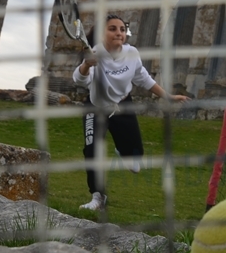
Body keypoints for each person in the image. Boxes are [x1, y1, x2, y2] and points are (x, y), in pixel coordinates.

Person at [73, 13, 188, 211]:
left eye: (122, 29)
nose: (119, 33)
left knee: (136, 154)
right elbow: (80, 80)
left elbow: (143, 79)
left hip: (123, 105)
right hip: (96, 108)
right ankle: (98, 197)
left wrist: (168, 96)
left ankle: (124, 151)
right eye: (112, 29)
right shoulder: (95, 53)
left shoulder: (132, 53)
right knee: (92, 151)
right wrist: (86, 65)